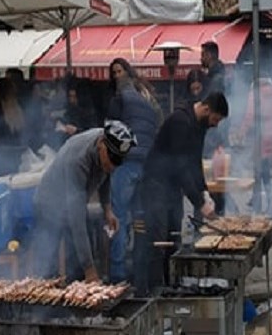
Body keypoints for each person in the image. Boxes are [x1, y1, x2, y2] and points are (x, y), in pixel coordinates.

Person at [134, 92, 228, 297]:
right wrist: (198, 202)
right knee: (159, 239)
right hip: (155, 185)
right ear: (206, 109)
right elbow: (180, 166)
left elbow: (195, 161)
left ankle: (171, 285)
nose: (215, 124)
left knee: (174, 237)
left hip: (172, 188)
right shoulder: (180, 122)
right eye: (215, 119)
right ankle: (151, 291)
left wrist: (204, 192)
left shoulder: (199, 126)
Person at [32, 121, 134, 282]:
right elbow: (76, 219)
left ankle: (78, 291)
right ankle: (44, 303)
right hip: (49, 204)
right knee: (48, 267)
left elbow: (106, 174)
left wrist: (107, 209)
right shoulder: (78, 159)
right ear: (101, 144)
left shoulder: (106, 147)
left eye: (118, 161)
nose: (113, 165)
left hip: (73, 205)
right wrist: (90, 269)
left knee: (78, 267)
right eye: (112, 158)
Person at [105, 74, 160, 284]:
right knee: (138, 217)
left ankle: (117, 273)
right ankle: (139, 269)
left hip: (126, 162)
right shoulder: (147, 105)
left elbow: (110, 134)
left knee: (116, 215)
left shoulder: (119, 100)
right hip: (145, 165)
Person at [234, 78, 272, 214]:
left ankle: (258, 203)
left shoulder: (254, 93)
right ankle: (269, 202)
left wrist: (241, 132)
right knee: (265, 171)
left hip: (258, 137)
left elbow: (249, 116)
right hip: (270, 135)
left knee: (258, 172)